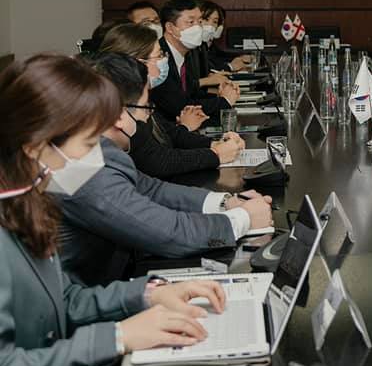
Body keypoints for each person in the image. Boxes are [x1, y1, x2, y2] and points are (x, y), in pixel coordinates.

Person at [0, 53, 227, 366]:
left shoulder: (28, 202)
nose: (99, 154)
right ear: (37, 147)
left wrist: (148, 294)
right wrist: (118, 337)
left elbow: (65, 300)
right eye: (89, 143)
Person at [57, 52, 273, 286]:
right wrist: (243, 219)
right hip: (95, 292)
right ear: (119, 116)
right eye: (145, 107)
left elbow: (151, 189)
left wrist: (227, 202)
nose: (147, 117)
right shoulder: (81, 169)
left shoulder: (98, 148)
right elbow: (170, 234)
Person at [99, 23, 244, 179]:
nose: (165, 60)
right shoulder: (120, 103)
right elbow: (157, 160)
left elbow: (169, 132)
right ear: (137, 62)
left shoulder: (141, 94)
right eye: (159, 55)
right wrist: (215, 154)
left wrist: (214, 143)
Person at [150, 0, 240, 122]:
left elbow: (192, 94)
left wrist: (220, 95)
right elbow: (180, 107)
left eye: (199, 21)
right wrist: (224, 101)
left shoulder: (184, 53)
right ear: (170, 28)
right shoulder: (158, 58)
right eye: (191, 22)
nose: (198, 28)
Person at [199, 0, 253, 74]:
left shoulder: (206, 44)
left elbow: (220, 56)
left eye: (215, 22)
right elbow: (207, 70)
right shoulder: (194, 45)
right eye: (206, 19)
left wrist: (240, 58)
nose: (210, 25)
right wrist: (230, 66)